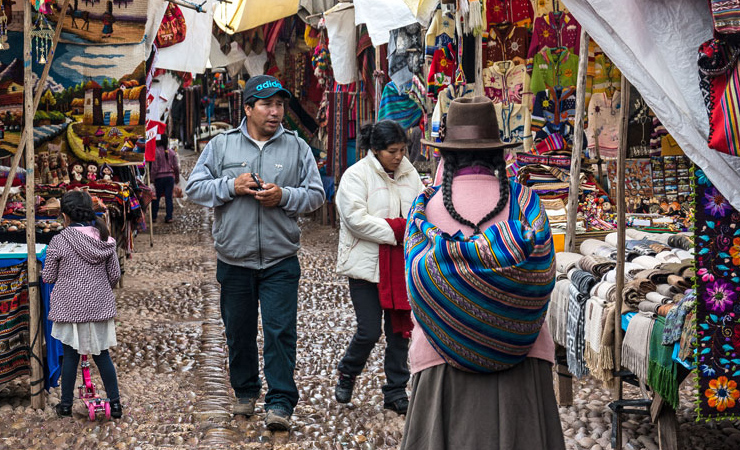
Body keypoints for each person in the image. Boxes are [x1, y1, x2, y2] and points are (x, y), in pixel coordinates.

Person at [400, 97, 564, 449]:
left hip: (440, 362)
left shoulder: (423, 210)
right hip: (523, 360)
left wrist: (459, 300)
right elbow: (545, 277)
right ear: (498, 153)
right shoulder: (524, 204)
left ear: (446, 155)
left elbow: (415, 285)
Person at [186, 75, 325, 431]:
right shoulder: (221, 146)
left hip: (281, 259)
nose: (276, 112)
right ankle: (245, 391)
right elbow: (195, 189)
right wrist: (230, 186)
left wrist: (285, 197)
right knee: (239, 331)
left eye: (280, 105)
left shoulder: (297, 147)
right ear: (247, 108)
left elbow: (316, 194)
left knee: (281, 332)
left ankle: (280, 401)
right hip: (234, 259)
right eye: (267, 105)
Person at [333, 120, 424, 414]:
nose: (399, 157)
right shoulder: (355, 176)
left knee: (400, 332)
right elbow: (355, 219)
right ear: (375, 150)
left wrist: (411, 229)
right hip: (366, 267)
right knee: (369, 330)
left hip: (402, 266)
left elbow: (423, 210)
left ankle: (396, 391)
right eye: (392, 151)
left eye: (402, 150)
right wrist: (400, 230)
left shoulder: (411, 176)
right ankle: (348, 370)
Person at [42, 190, 122, 419]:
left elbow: (48, 276)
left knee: (69, 357)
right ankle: (115, 404)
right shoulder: (105, 239)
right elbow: (114, 275)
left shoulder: (59, 240)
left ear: (65, 216)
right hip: (99, 306)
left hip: (69, 307)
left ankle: (65, 406)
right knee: (102, 355)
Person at [151, 135, 180, 223]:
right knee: (169, 198)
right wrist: (177, 178)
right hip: (169, 178)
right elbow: (176, 167)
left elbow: (154, 167)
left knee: (156, 198)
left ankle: (154, 216)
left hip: (159, 178)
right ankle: (169, 217)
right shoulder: (171, 152)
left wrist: (152, 178)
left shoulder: (156, 151)